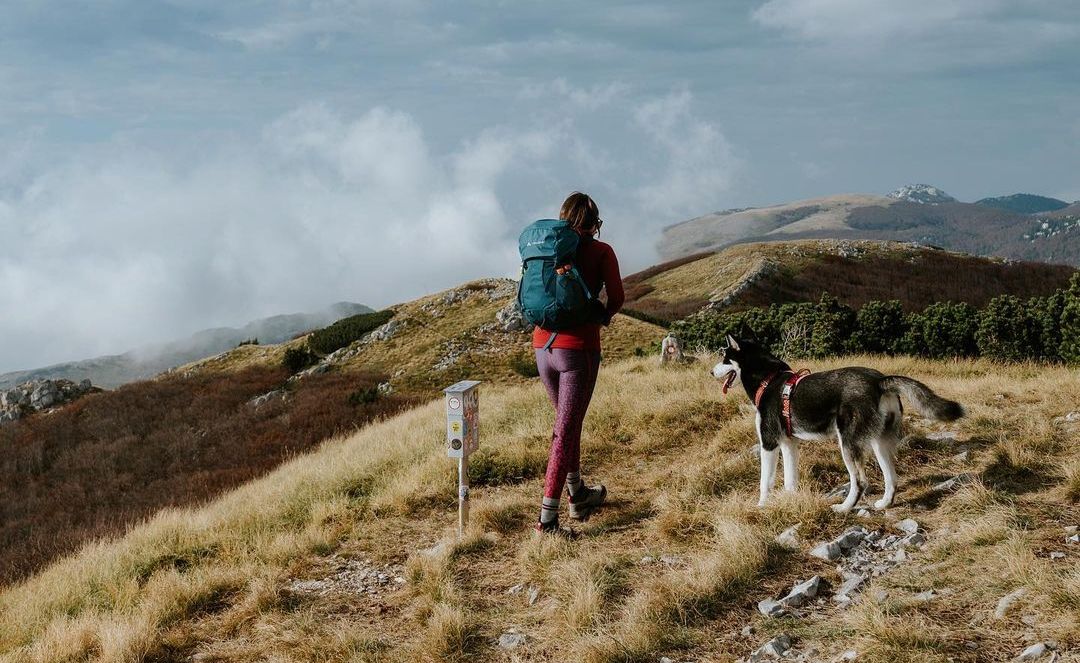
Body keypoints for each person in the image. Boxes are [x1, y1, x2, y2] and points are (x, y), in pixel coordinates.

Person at [532, 191, 624, 536]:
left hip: (542, 347)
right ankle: (547, 521)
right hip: (577, 351)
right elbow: (617, 298)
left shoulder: (548, 249)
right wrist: (600, 317)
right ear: (595, 223)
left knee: (567, 426)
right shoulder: (601, 251)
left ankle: (577, 494)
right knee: (566, 431)